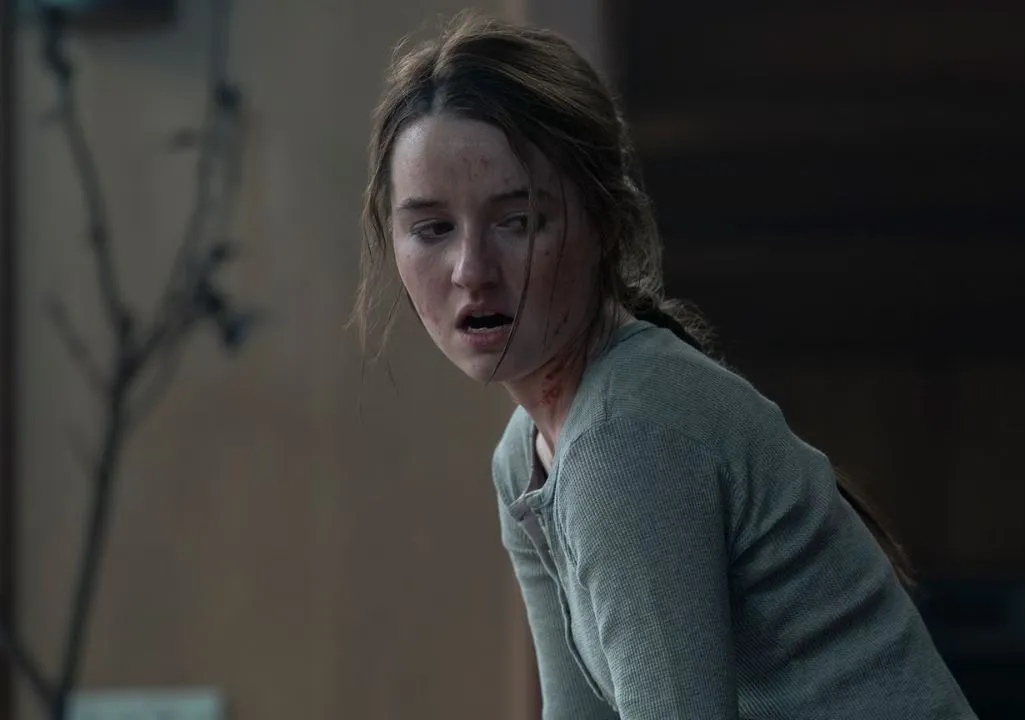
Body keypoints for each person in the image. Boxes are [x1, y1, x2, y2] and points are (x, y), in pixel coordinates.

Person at [355, 11, 976, 720]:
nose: (471, 269)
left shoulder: (626, 435)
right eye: (432, 229)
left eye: (518, 221)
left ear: (602, 223)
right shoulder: (526, 454)